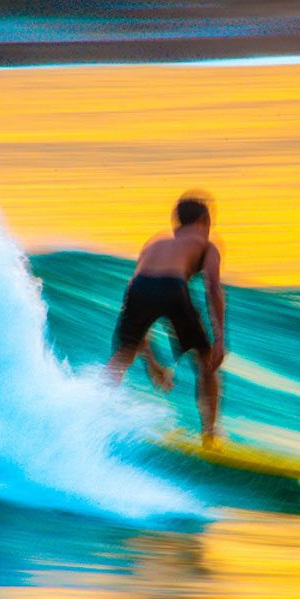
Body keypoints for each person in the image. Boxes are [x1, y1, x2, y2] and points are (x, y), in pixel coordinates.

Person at [105, 191, 226, 447]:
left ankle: (94, 412)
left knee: (122, 355)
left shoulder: (154, 244)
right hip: (173, 286)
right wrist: (220, 340)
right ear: (204, 221)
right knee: (205, 363)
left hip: (138, 286)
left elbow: (136, 307)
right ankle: (210, 435)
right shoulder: (206, 245)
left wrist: (152, 364)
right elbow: (213, 289)